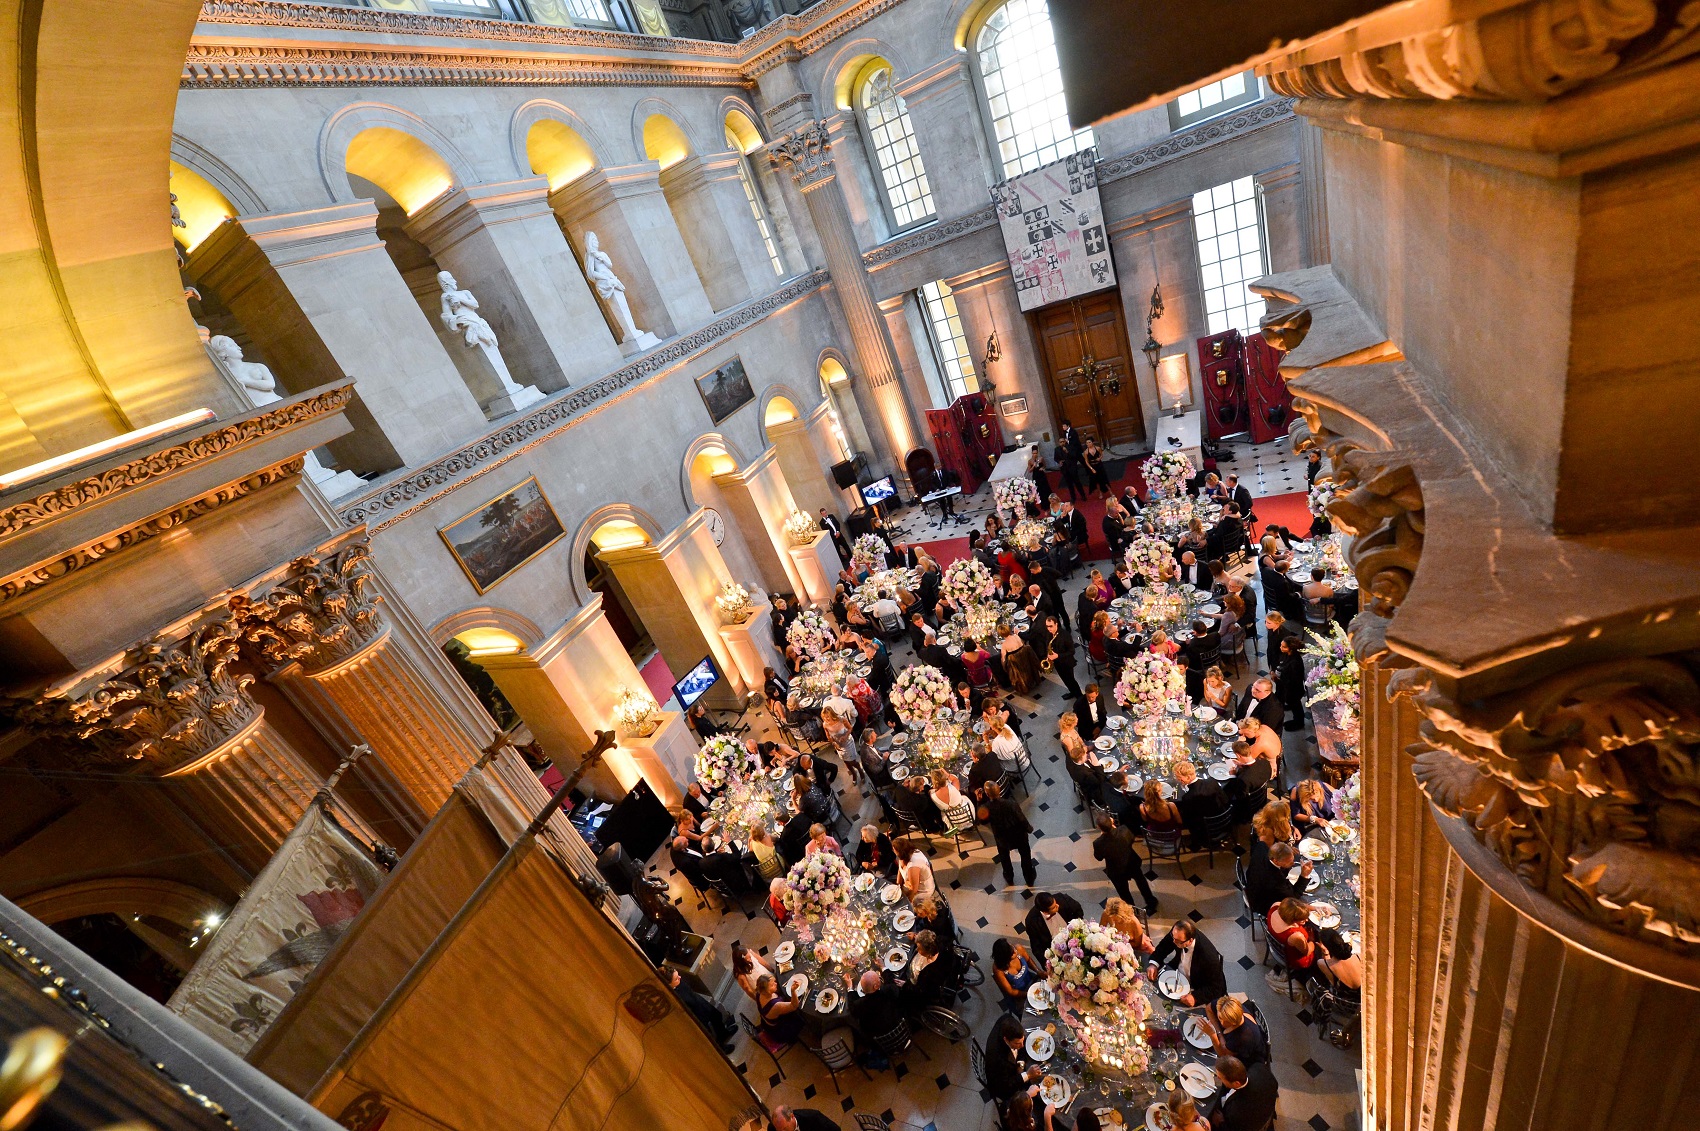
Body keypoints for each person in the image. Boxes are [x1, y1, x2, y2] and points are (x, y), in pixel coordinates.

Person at [1147, 919, 1227, 1007]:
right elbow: (1164, 946)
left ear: (1190, 941)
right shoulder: (1177, 934)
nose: (1173, 941)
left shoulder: (1209, 957)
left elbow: (1216, 988)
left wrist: (1195, 997)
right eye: (1173, 937)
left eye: (1177, 941)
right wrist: (1154, 963)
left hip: (1197, 985)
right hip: (1175, 973)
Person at [1093, 813, 1159, 914]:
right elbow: (1131, 839)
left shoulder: (1098, 843)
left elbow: (1099, 857)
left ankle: (1132, 911)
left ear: (1099, 827)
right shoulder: (1124, 830)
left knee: (1124, 892)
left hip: (1116, 870)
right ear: (1111, 821)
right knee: (1141, 882)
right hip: (1131, 863)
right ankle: (1151, 901)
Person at [665, 966, 736, 1052]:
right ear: (669, 984)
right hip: (695, 1014)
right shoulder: (673, 996)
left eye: (678, 975)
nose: (680, 977)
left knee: (716, 1015)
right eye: (676, 978)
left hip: (698, 1002)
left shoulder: (679, 981)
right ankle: (720, 1048)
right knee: (709, 1035)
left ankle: (723, 1033)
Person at [984, 781, 1038, 886]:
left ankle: (1009, 877)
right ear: (999, 790)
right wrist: (1029, 828)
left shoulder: (987, 807)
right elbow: (1021, 818)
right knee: (1025, 856)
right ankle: (1029, 878)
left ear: (987, 794)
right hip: (1019, 836)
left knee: (1004, 858)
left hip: (1002, 838)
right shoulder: (1011, 803)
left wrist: (978, 801)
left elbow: (982, 820)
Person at [1209, 1055, 1279, 1131]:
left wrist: (1221, 1122)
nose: (1218, 1078)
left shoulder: (1236, 1112)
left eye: (1220, 1078)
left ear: (1236, 1083)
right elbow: (1275, 1083)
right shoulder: (1259, 1068)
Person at [985, 1014, 1042, 1102]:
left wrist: (1021, 1064)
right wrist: (1028, 1075)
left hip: (1012, 1070)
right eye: (1017, 1044)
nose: (1022, 1045)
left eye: (1022, 1041)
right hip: (1002, 1086)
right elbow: (1006, 1085)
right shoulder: (997, 1057)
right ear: (1006, 1040)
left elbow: (1021, 1048)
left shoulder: (1007, 1019)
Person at [1246, 840, 1309, 916]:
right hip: (1261, 902)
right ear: (1276, 861)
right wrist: (1304, 876)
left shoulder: (1261, 846)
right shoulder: (1276, 880)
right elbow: (1293, 897)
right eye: (1289, 862)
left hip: (1251, 881)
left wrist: (1286, 849)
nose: (1293, 864)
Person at [1204, 995, 1270, 1066]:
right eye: (1219, 1017)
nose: (1220, 1021)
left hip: (1247, 1061)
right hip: (1231, 1044)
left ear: (1233, 1022)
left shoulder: (1243, 1037)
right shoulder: (1226, 1005)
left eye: (1222, 1019)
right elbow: (1209, 1009)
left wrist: (1213, 1036)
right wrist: (1219, 1033)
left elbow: (1224, 1056)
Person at [1173, 760, 1228, 843]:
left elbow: (1189, 820)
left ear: (1188, 777)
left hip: (1206, 831)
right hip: (1224, 821)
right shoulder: (1212, 781)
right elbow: (1225, 800)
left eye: (1179, 778)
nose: (1178, 780)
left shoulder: (1187, 797)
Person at [849, 968, 904, 1044]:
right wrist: (883, 967)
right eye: (879, 979)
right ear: (875, 986)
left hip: (881, 1042)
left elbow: (852, 1008)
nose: (880, 979)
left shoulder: (859, 1005)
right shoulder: (888, 991)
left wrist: (850, 988)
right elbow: (892, 983)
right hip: (900, 1029)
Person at [1023, 891, 1085, 959]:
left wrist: (1077, 926)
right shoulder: (1031, 922)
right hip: (1055, 950)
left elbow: (1078, 910)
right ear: (1045, 912)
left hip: (1074, 938)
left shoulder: (1063, 899)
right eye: (1053, 908)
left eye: (1055, 903)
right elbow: (1037, 948)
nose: (1057, 906)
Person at [990, 937, 1043, 1014]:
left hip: (1032, 981)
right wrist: (1029, 994)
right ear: (1005, 958)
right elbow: (1011, 991)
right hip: (1019, 995)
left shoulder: (1019, 949)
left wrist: (1038, 971)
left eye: (1012, 947)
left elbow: (1028, 960)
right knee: (1037, 1014)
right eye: (1012, 953)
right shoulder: (998, 970)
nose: (1015, 951)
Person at [1267, 896, 1316, 971]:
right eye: (1302, 920)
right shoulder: (1296, 935)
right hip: (1294, 958)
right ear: (1292, 919)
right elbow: (1307, 952)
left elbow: (1294, 907)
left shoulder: (1276, 905)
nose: (1306, 920)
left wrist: (1315, 908)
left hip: (1277, 943)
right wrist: (1312, 940)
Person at [755, 973, 804, 1044]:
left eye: (774, 982)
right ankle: (792, 1039)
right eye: (772, 985)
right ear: (766, 991)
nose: (776, 984)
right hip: (779, 1030)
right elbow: (794, 1006)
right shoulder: (775, 1005)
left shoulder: (759, 993)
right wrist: (793, 991)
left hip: (766, 1023)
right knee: (801, 1018)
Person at [999, 621, 1042, 695]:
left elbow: (1003, 658)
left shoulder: (1004, 645)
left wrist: (1004, 667)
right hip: (1027, 660)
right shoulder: (1016, 636)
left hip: (1017, 666)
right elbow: (1024, 644)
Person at [1276, 634, 1308, 730]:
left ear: (1291, 649)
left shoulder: (1295, 662)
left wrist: (1278, 678)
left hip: (1293, 690)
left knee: (1296, 706)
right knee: (1292, 704)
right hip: (1288, 687)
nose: (1281, 648)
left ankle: (1299, 723)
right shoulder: (1288, 655)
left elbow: (1292, 679)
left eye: (1284, 647)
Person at [1065, 738, 1109, 807]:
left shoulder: (1069, 757)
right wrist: (1097, 765)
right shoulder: (1086, 774)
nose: (1086, 755)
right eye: (1085, 755)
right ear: (1081, 759)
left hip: (1082, 781)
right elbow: (1101, 780)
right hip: (1095, 793)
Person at [896, 837, 936, 901]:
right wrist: (897, 886)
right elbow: (900, 869)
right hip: (909, 885)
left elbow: (914, 890)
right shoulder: (904, 856)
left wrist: (908, 902)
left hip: (922, 890)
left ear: (900, 852)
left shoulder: (913, 865)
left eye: (894, 850)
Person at [732, 938, 772, 1003]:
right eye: (748, 959)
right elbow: (748, 989)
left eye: (750, 957)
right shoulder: (741, 975)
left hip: (767, 976)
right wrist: (758, 1000)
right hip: (762, 988)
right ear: (741, 962)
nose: (750, 960)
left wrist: (770, 968)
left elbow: (761, 960)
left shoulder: (749, 953)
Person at [768, 1103, 842, 1131]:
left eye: (785, 1128)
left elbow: (836, 1130)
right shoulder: (772, 1128)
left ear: (792, 1116)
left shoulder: (813, 1118)